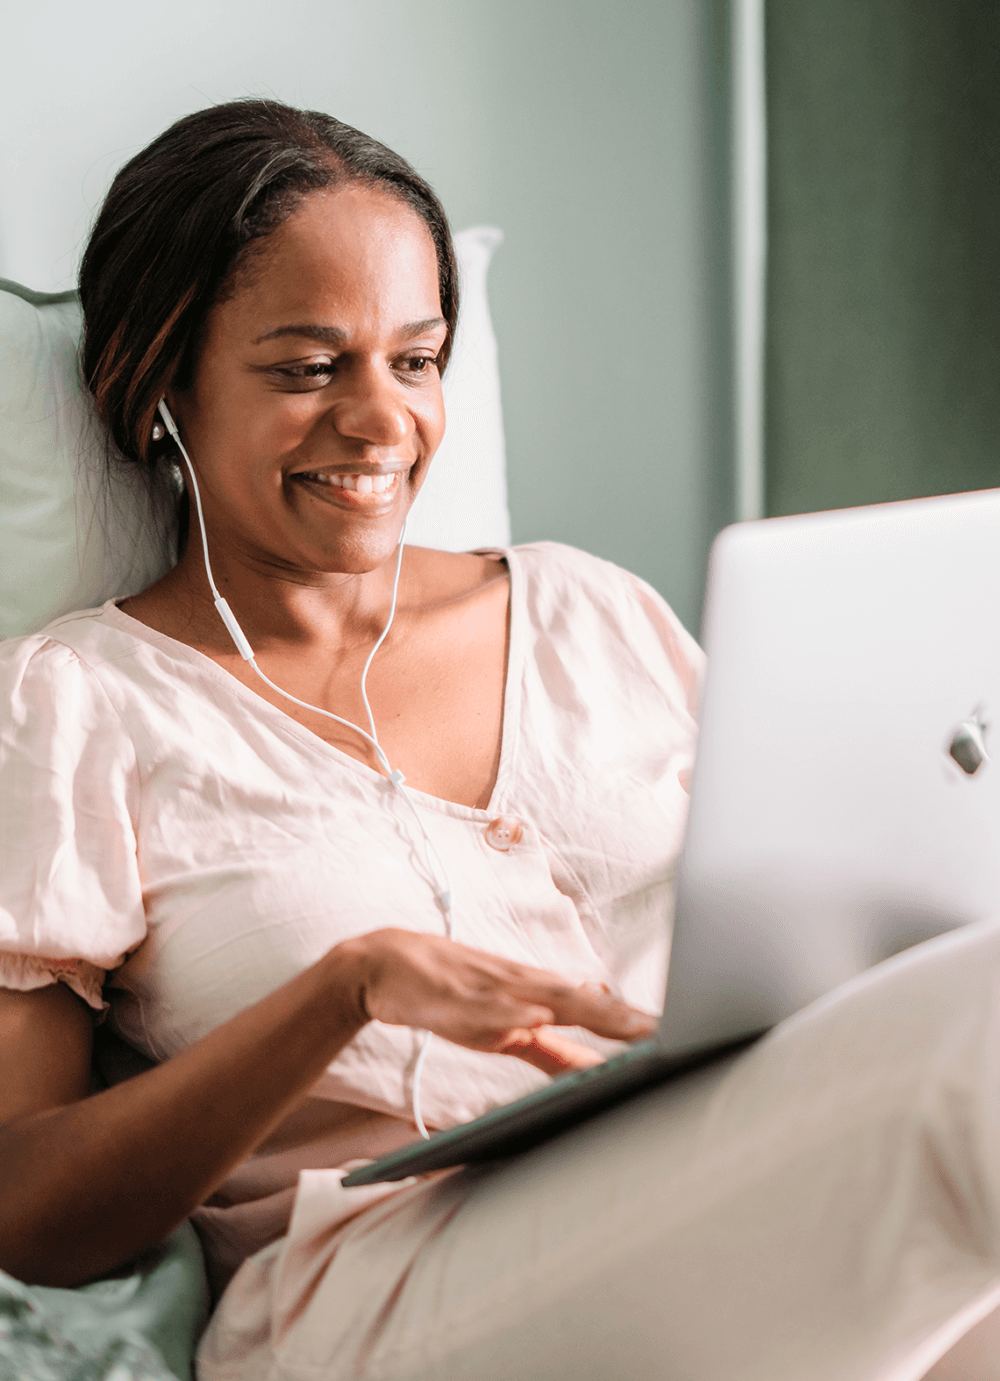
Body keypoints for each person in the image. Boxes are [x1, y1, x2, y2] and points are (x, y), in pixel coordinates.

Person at [1, 101, 999, 1381]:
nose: (379, 421)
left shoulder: (591, 612)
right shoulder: (77, 703)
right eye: (308, 368)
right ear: (161, 385)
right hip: (384, 1276)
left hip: (720, 1161)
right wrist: (344, 991)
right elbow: (24, 1206)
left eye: (414, 362)